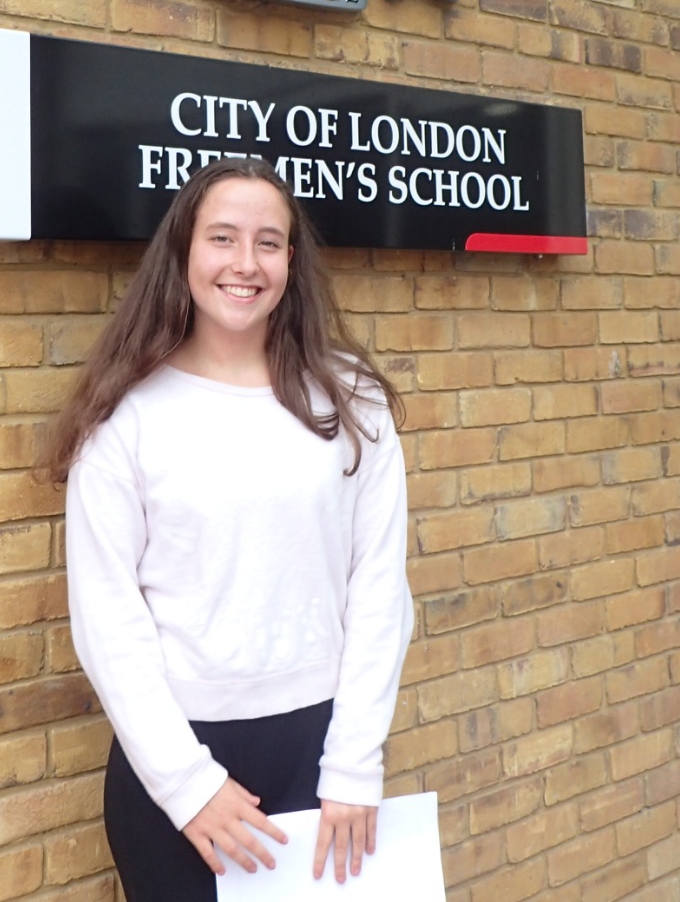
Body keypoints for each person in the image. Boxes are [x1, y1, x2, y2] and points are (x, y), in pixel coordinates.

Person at [44, 157, 413, 900]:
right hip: (177, 771)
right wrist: (188, 785)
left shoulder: (353, 400)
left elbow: (380, 588)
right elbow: (108, 619)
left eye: (269, 242)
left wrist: (351, 763)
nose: (245, 264)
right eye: (222, 238)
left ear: (292, 261)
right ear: (183, 252)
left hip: (322, 754)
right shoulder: (127, 417)